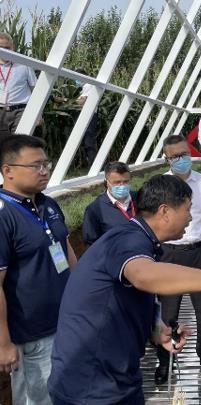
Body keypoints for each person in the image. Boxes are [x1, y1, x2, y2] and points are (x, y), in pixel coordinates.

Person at [47, 174, 201, 404]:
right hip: (91, 383)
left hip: (117, 374)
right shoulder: (127, 240)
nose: (190, 217)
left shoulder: (141, 239)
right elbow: (143, 276)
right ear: (165, 211)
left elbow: (130, 294)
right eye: (187, 209)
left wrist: (157, 329)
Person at [0, 135, 77, 405]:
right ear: (8, 171)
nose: (44, 171)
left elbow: (66, 251)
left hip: (63, 322)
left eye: (46, 164)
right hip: (30, 336)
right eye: (36, 166)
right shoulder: (4, 215)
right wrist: (3, 342)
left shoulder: (47, 204)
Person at [155, 135, 201, 382]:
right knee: (168, 311)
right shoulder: (160, 186)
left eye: (184, 154)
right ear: (167, 159)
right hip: (169, 253)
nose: (181, 159)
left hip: (199, 251)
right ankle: (165, 359)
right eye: (174, 156)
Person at [82, 161, 136, 246]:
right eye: (117, 182)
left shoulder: (140, 198)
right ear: (107, 182)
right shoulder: (95, 209)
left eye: (126, 181)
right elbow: (91, 243)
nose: (122, 186)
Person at [0, 33, 37, 140]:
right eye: (1, 48)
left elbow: (35, 90)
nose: (4, 51)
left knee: (20, 143)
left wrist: (38, 114)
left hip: (20, 111)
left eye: (7, 48)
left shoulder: (24, 64)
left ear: (13, 47)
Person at [75, 72, 99, 167]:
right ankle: (91, 163)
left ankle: (93, 164)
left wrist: (67, 100)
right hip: (87, 115)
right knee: (87, 140)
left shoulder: (88, 85)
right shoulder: (84, 87)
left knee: (89, 140)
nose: (76, 81)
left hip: (90, 115)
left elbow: (82, 101)